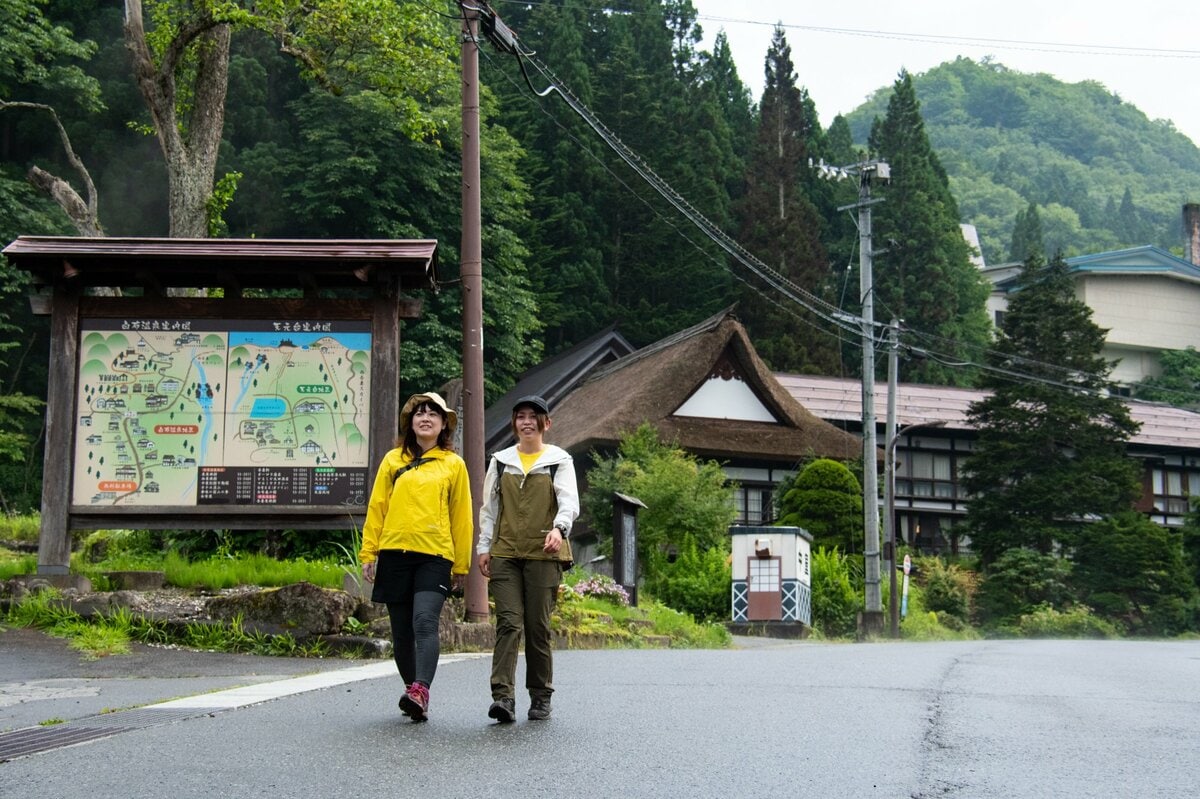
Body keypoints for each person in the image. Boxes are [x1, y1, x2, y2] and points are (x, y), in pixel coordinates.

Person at [359, 391, 472, 722]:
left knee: (424, 621)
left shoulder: (453, 464)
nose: (426, 418)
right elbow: (377, 507)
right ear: (410, 422)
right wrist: (369, 552)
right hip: (394, 552)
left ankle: (421, 688)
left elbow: (461, 516)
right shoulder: (393, 461)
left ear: (443, 426)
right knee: (401, 632)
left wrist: (461, 564)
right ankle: (414, 692)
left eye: (433, 414)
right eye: (419, 413)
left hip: (434, 555)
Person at [477, 394, 579, 723]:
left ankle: (540, 695)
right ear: (514, 423)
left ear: (546, 423)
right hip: (505, 552)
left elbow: (568, 502)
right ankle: (503, 698)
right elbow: (489, 508)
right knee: (508, 623)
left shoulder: (558, 460)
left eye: (533, 416)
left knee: (537, 627)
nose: (527, 421)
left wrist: (559, 529)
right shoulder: (501, 460)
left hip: (544, 554)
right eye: (520, 416)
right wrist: (483, 546)